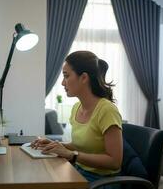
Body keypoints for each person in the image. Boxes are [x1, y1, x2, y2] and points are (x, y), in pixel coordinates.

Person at [32, 51, 123, 185]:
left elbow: (114, 162)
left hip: (101, 181)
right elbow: (81, 146)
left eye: (66, 76)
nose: (63, 83)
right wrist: (56, 145)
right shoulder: (76, 108)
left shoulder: (107, 110)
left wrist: (72, 155)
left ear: (84, 78)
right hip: (78, 171)